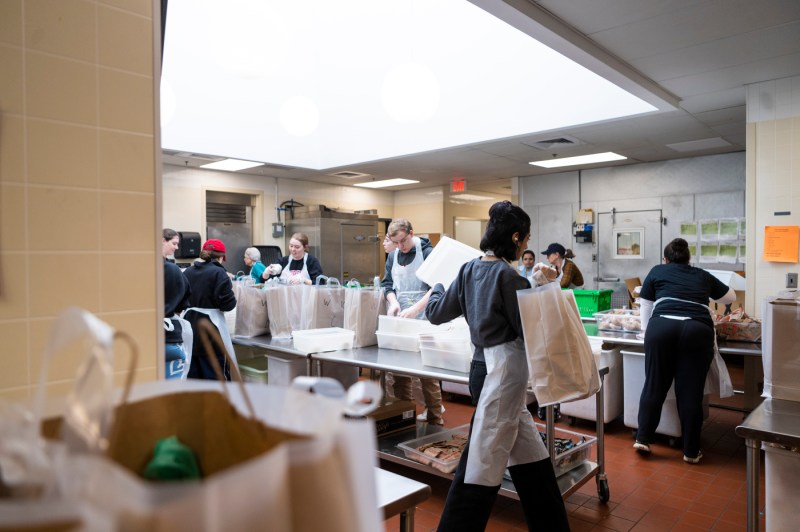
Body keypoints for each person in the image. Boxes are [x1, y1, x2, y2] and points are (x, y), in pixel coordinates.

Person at [425, 201, 569, 531]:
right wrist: (545, 288)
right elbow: (534, 333)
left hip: (483, 371)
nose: (526, 246)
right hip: (501, 377)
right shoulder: (509, 277)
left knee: (534, 464)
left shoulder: (467, 270)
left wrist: (435, 287)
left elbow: (435, 313)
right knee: (478, 467)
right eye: (526, 239)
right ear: (515, 237)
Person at [634, 238, 736, 464]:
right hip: (696, 330)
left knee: (654, 385)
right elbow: (731, 297)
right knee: (690, 392)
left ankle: (643, 438)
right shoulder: (701, 274)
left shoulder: (658, 270)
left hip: (661, 328)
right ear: (689, 260)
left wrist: (645, 332)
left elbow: (646, 303)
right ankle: (691, 451)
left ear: (665, 259)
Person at [380, 219, 444, 424]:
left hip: (425, 316)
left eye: (403, 241)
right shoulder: (393, 256)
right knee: (399, 369)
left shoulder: (427, 252)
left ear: (411, 233)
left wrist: (417, 308)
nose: (400, 246)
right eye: (395, 242)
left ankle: (435, 417)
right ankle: (403, 415)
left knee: (426, 370)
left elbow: (437, 285)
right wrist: (393, 302)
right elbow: (388, 284)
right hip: (402, 318)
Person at [182, 239, 237, 380]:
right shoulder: (219, 273)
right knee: (215, 373)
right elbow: (228, 305)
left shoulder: (188, 271)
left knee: (193, 374)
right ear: (222, 257)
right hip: (212, 328)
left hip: (189, 326)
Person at [164, 259, 192, 379]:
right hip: (171, 340)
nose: (176, 248)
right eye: (174, 243)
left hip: (146, 338)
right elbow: (184, 302)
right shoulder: (173, 270)